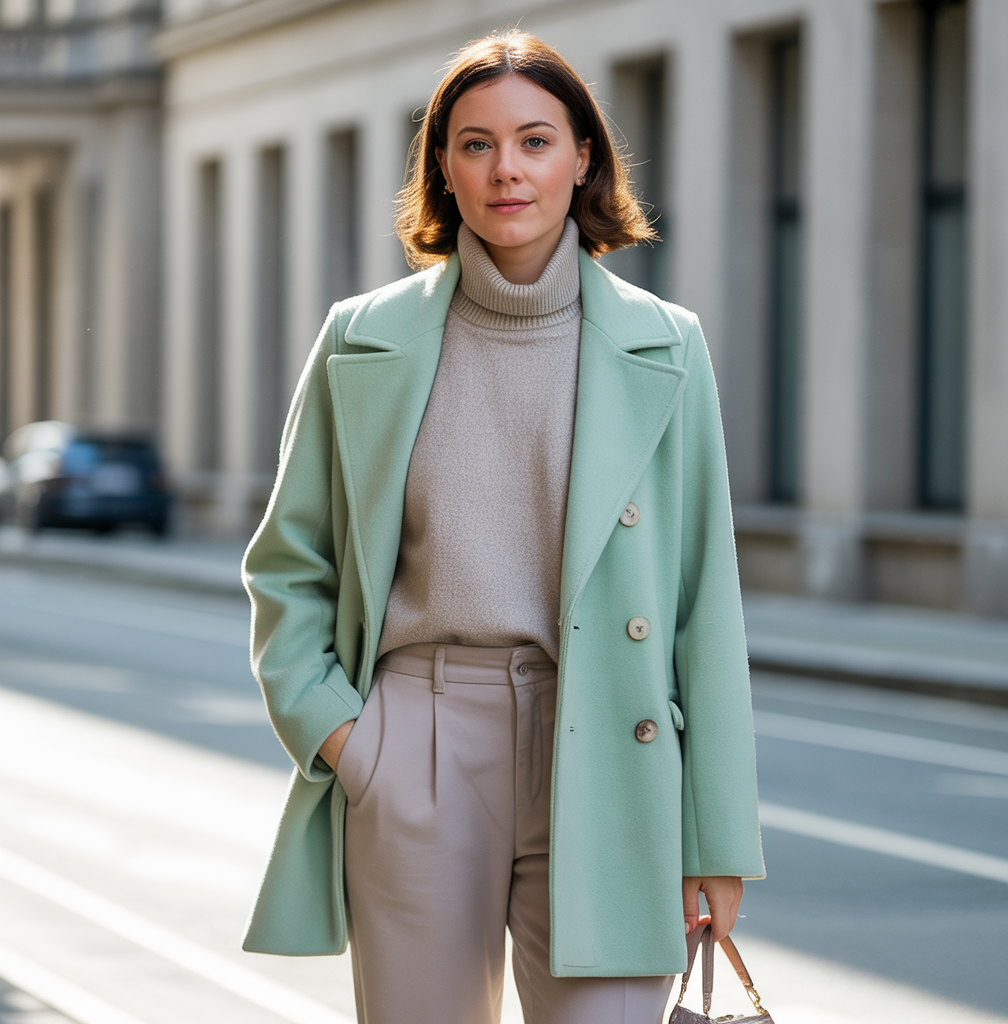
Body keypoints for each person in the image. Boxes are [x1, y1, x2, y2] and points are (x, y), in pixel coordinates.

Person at [241, 28, 765, 1024]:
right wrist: (349, 743)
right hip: (417, 745)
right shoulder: (362, 339)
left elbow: (705, 603)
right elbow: (288, 567)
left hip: (613, 744)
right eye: (475, 143)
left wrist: (716, 839)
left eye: (533, 140)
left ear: (582, 161)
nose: (506, 169)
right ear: (444, 167)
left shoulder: (667, 346)